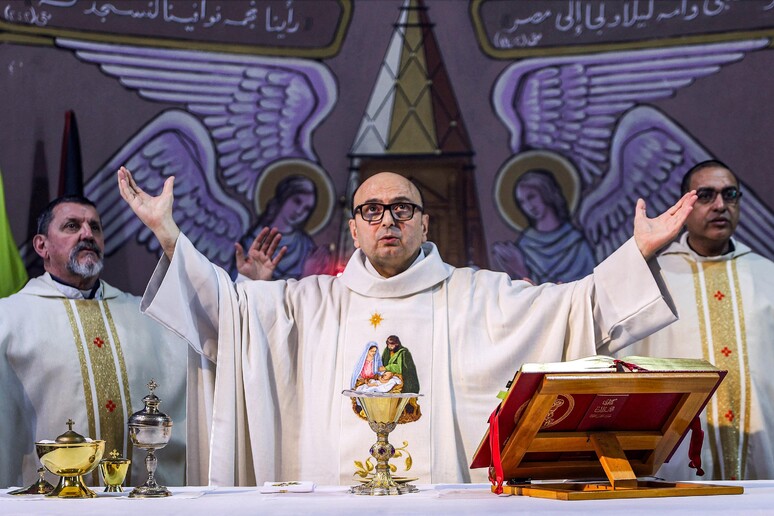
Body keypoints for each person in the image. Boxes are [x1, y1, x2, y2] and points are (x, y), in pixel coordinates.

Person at [117, 165, 696, 486]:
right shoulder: (310, 302)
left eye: (402, 208)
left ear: (424, 223)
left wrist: (638, 253)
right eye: (372, 210)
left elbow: (574, 308)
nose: (387, 219)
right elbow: (233, 313)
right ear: (354, 229)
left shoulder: (478, 295)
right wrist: (170, 236)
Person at [0, 195, 202, 489]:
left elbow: (207, 352)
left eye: (95, 227)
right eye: (72, 226)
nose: (87, 235)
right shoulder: (10, 318)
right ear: (41, 246)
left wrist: (247, 287)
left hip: (138, 504)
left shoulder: (146, 315)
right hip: (45, 504)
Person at [617, 160, 774, 481]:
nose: (720, 205)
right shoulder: (652, 278)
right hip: (679, 449)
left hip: (764, 441)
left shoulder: (767, 275)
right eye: (706, 195)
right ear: (685, 205)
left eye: (730, 195)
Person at [493, 169, 596, 283]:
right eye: (522, 202)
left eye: (531, 197)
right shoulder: (525, 246)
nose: (529, 206)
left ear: (546, 193)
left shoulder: (575, 241)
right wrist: (518, 271)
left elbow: (589, 284)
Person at [238, 175, 330, 280]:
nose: (299, 211)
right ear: (284, 197)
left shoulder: (305, 246)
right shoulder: (253, 241)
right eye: (297, 201)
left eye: (306, 209)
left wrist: (308, 274)